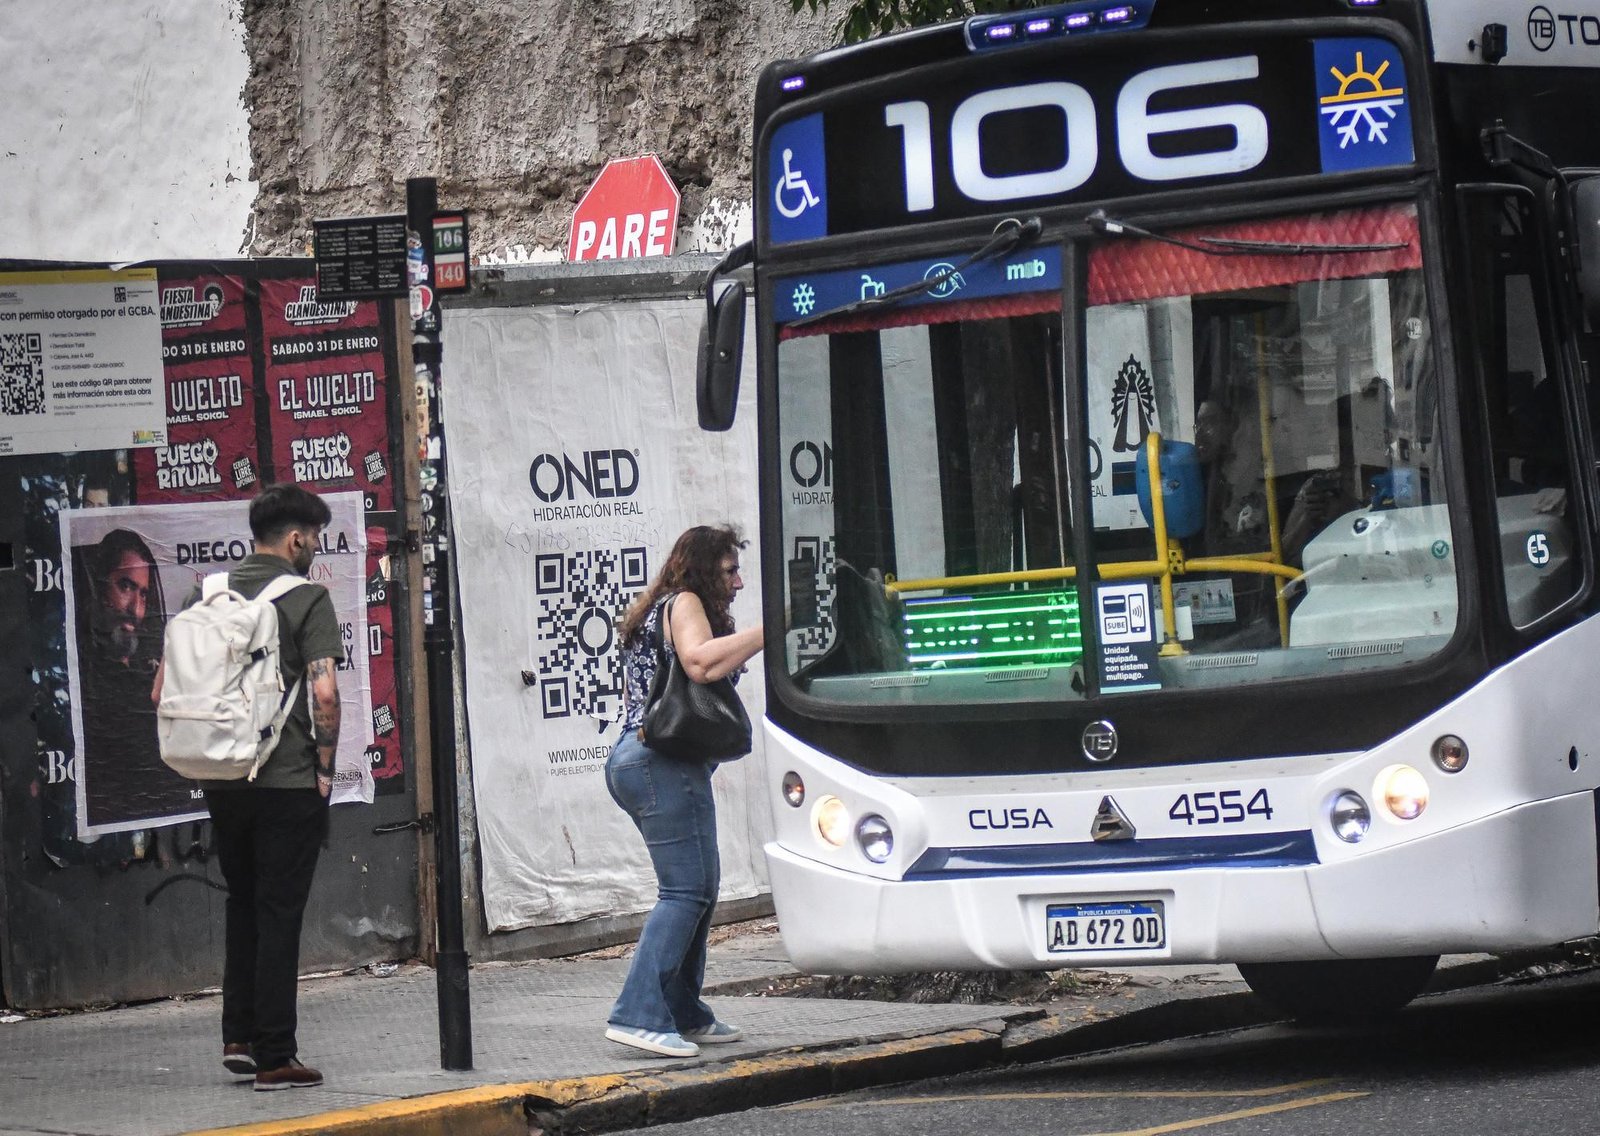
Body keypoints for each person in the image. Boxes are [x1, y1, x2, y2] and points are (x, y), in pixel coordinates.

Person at [152, 484, 342, 1091]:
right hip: (285, 781)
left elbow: (160, 692)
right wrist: (326, 770)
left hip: (224, 777)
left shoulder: (204, 596)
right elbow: (325, 695)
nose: (315, 548)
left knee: (243, 901)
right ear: (295, 538)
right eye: (313, 538)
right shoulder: (308, 598)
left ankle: (238, 1036)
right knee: (280, 910)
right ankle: (276, 1056)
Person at [603, 525, 764, 1058]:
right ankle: (638, 1014)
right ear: (699, 571)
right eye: (728, 571)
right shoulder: (685, 601)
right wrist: (777, 628)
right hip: (660, 762)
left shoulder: (657, 608)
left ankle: (683, 1010)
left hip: (647, 760)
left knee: (701, 888)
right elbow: (698, 662)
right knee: (685, 892)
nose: (738, 582)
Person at [73, 528, 190, 830]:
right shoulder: (81, 674)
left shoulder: (155, 672)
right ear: (99, 587)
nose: (135, 610)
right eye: (125, 586)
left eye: (143, 594)